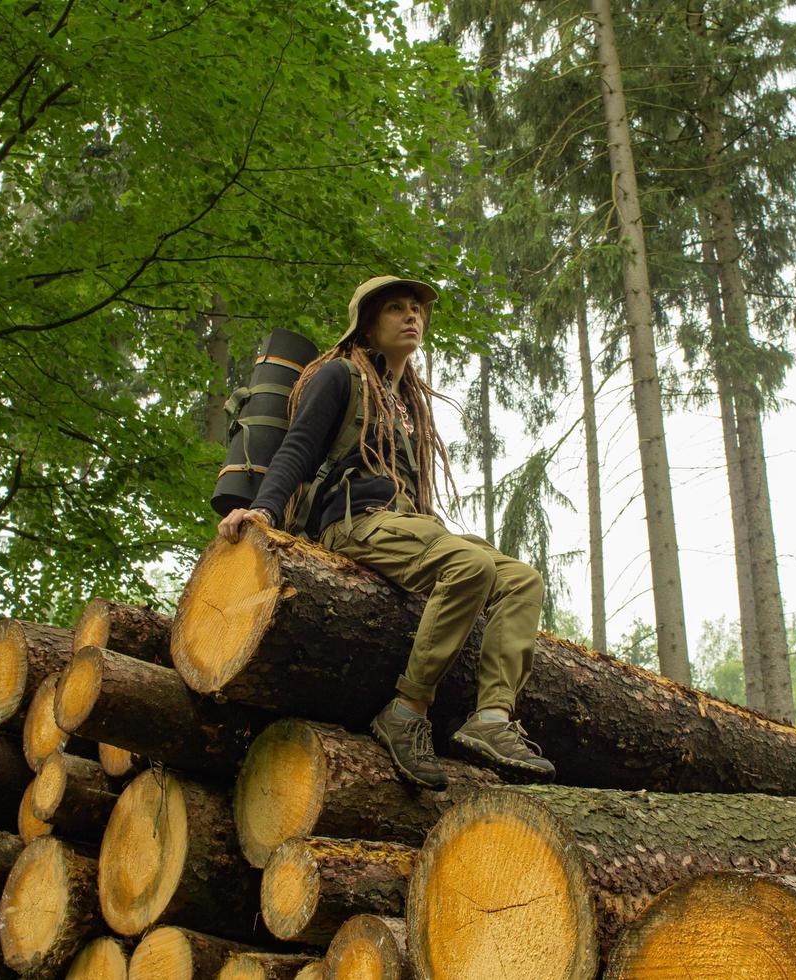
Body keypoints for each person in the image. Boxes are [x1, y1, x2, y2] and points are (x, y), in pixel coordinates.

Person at [217, 275, 555, 789]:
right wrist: (261, 511)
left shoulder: (407, 403)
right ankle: (406, 709)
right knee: (471, 564)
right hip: (351, 524)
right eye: (396, 308)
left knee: (523, 579)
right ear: (368, 325)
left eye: (417, 309)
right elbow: (298, 448)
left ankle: (491, 721)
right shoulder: (339, 377)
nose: (412, 316)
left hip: (406, 528)